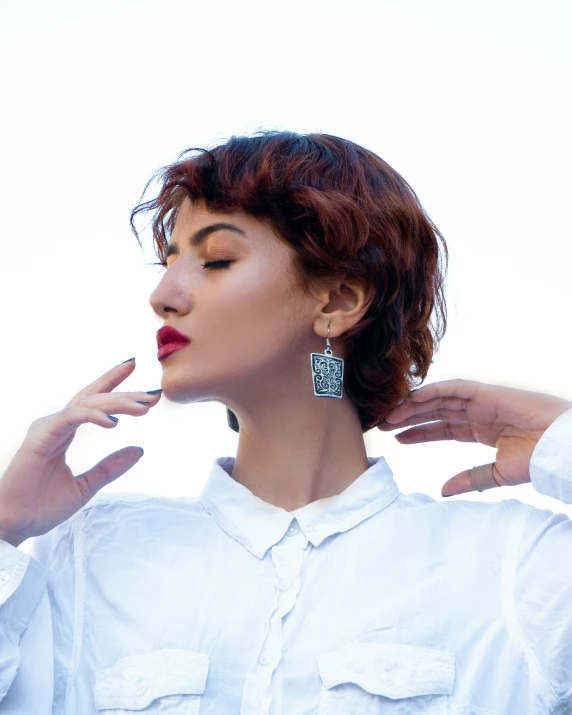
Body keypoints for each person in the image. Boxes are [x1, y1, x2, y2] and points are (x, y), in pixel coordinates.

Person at [0, 130, 570, 714]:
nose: (163, 294)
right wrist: (5, 527)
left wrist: (561, 442)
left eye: (216, 260)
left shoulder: (511, 566)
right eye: (169, 261)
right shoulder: (90, 554)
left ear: (337, 302)